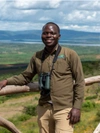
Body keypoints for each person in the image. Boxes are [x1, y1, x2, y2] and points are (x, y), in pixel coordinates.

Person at [0, 22, 85, 133]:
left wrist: (77, 107)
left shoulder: (70, 54)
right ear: (41, 36)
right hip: (44, 108)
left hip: (64, 109)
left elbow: (79, 81)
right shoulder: (37, 56)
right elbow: (25, 77)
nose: (48, 35)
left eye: (52, 33)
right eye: (45, 33)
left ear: (59, 36)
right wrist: (6, 81)